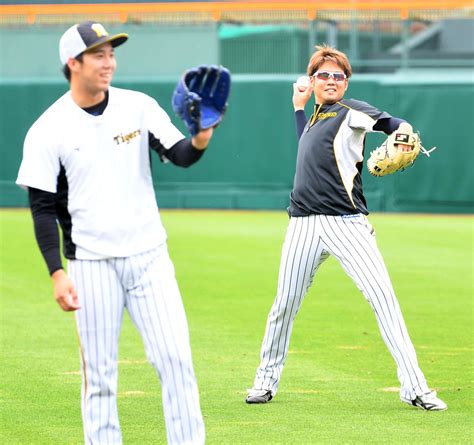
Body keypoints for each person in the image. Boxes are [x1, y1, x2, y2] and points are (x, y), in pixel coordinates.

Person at [16, 21, 212, 444]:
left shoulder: (137, 106)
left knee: (176, 360)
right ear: (73, 63)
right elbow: (41, 208)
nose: (109, 63)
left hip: (149, 258)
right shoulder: (48, 129)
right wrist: (56, 272)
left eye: (111, 54)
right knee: (100, 377)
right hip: (90, 264)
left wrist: (199, 138)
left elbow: (178, 156)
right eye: (99, 55)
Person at [245, 45, 447, 411]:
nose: (332, 80)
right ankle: (264, 381)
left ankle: (415, 387)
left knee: (383, 300)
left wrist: (402, 132)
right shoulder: (314, 116)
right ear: (312, 81)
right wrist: (297, 107)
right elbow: (304, 145)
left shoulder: (350, 111)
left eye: (339, 75)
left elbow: (391, 123)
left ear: (346, 81)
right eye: (324, 75)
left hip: (346, 224)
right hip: (303, 226)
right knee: (284, 305)